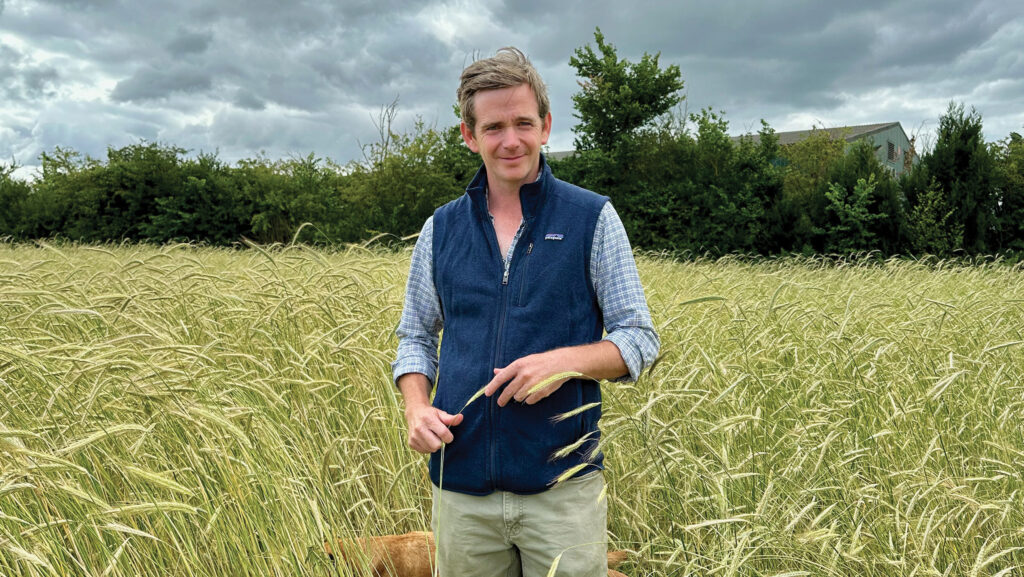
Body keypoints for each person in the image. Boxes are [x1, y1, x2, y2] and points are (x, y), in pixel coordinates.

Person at [392, 46, 659, 577]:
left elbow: (638, 338)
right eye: (493, 127)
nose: (510, 140)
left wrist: (563, 362)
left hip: (562, 489)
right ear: (470, 136)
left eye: (523, 123)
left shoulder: (592, 217)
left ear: (546, 127)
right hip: (461, 488)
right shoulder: (440, 229)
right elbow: (415, 338)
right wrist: (416, 408)